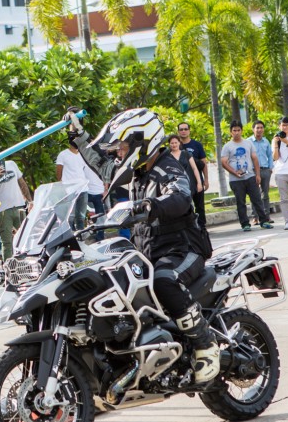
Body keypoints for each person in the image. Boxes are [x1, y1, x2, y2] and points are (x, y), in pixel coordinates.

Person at [67, 109, 220, 384]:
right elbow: (103, 166)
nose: (118, 154)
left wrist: (151, 205)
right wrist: (79, 136)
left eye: (123, 147)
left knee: (164, 280)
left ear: (142, 142)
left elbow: (182, 196)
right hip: (150, 254)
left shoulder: (168, 167)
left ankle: (205, 343)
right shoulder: (137, 172)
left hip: (183, 250)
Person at [0, 147, 33, 260]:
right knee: (7, 242)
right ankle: (9, 270)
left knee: (25, 238)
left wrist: (30, 201)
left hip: (19, 206)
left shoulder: (11, 164)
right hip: (2, 212)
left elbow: (21, 182)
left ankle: (29, 265)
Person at [219, 122, 272, 232]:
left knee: (257, 200)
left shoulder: (248, 143)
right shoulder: (227, 146)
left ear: (242, 131)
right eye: (234, 130)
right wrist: (234, 172)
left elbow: (255, 159)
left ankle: (264, 221)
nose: (237, 132)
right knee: (241, 202)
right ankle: (245, 224)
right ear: (230, 132)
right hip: (236, 180)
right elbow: (224, 162)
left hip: (250, 177)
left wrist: (257, 175)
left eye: (239, 130)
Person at [56, 136, 107, 235]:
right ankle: (70, 237)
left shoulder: (83, 155)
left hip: (83, 189)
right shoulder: (63, 154)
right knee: (70, 216)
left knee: (81, 216)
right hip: (69, 190)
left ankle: (80, 236)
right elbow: (58, 172)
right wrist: (62, 186)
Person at [178, 123, 209, 227]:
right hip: (183, 182)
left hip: (197, 180)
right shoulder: (176, 147)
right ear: (178, 132)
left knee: (200, 206)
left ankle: (202, 226)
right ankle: (190, 227)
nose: (183, 131)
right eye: (181, 129)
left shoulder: (197, 145)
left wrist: (206, 180)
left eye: (185, 129)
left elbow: (203, 163)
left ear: (189, 131)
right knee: (185, 206)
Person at [251, 120, 274, 220]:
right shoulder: (248, 142)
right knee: (255, 195)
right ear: (253, 129)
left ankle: (266, 217)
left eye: (261, 128)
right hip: (253, 171)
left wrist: (270, 168)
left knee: (265, 195)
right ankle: (255, 217)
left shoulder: (266, 141)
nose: (259, 130)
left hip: (265, 170)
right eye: (257, 128)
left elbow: (270, 155)